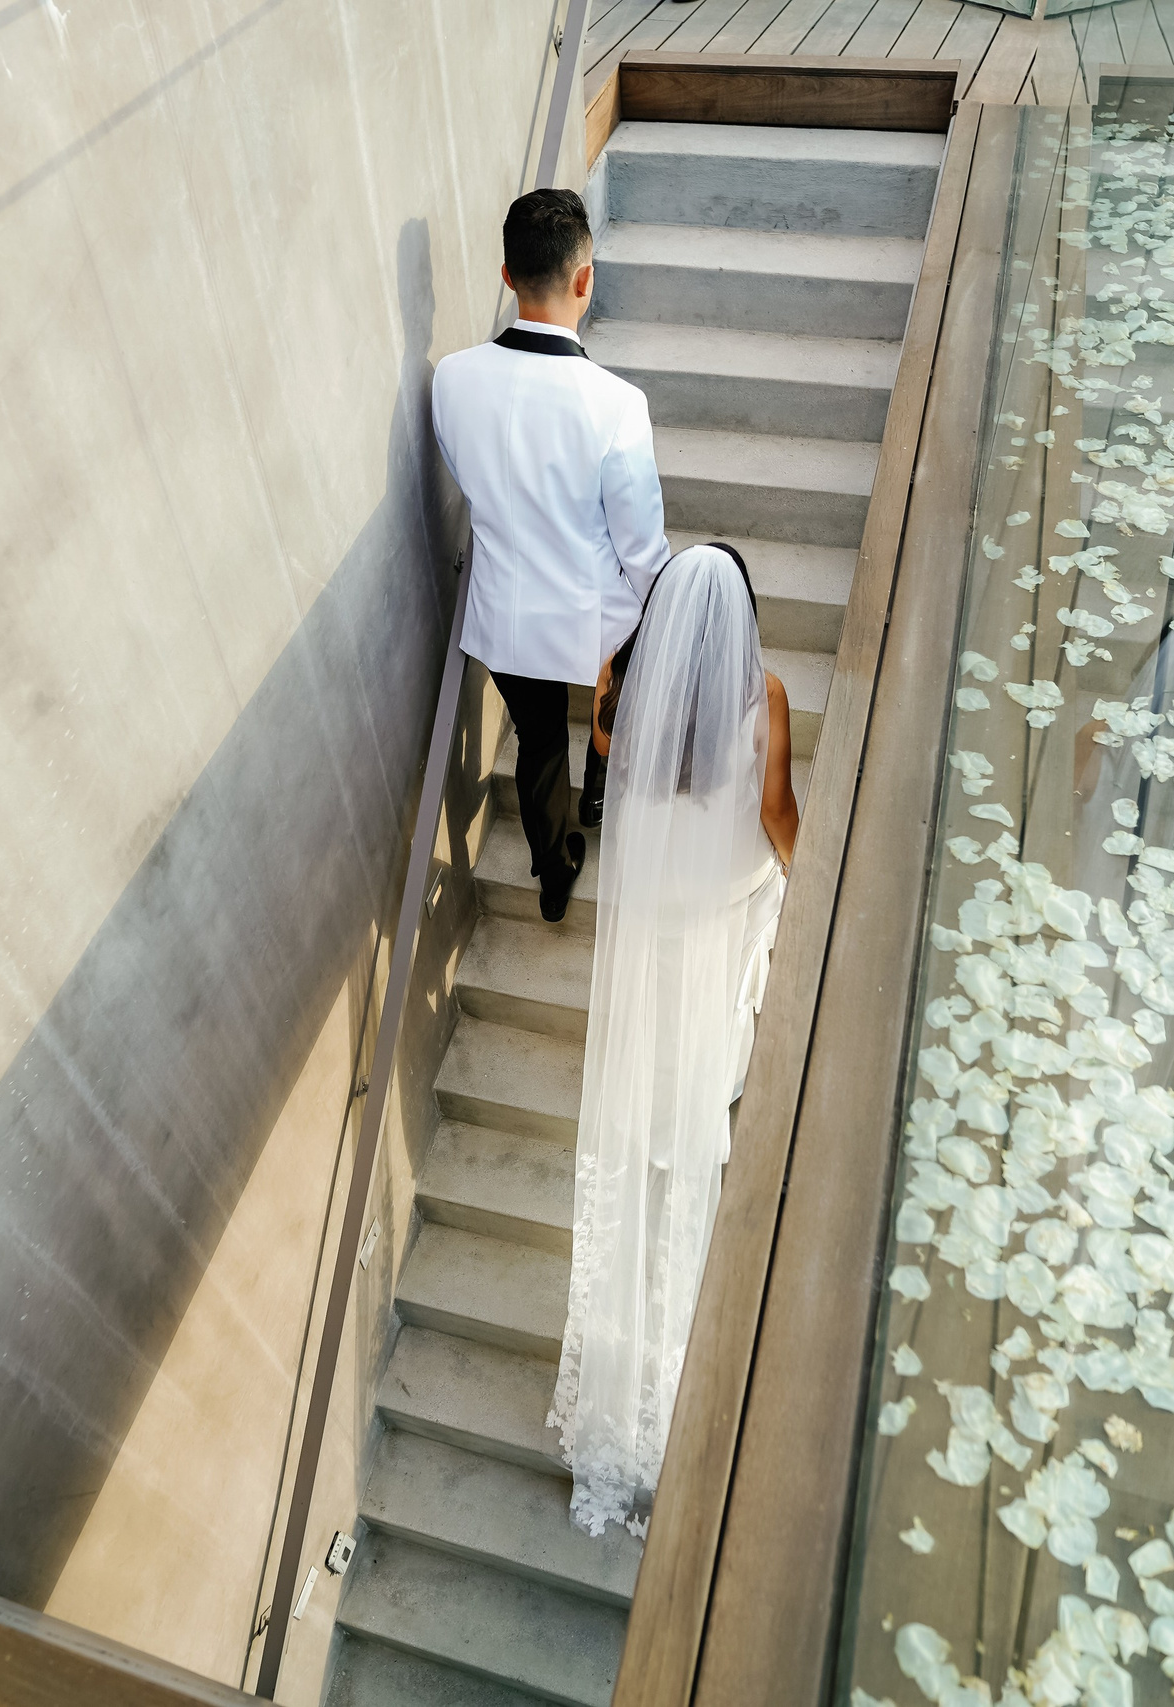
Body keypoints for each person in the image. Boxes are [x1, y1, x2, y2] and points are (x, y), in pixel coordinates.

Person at [548, 543, 799, 1538]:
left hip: (651, 928)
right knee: (700, 1089)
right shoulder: (764, 696)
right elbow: (774, 813)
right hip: (713, 919)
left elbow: (612, 771)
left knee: (652, 1096)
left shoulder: (620, 688)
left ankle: (616, 1401)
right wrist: (808, 870)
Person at [432, 189, 671, 921]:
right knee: (619, 676)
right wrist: (664, 603)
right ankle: (600, 781)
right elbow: (639, 545)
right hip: (592, 617)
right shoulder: (616, 404)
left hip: (506, 616)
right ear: (585, 278)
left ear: (507, 276)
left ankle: (555, 869)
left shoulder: (451, 378)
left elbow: (466, 475)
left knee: (538, 736)